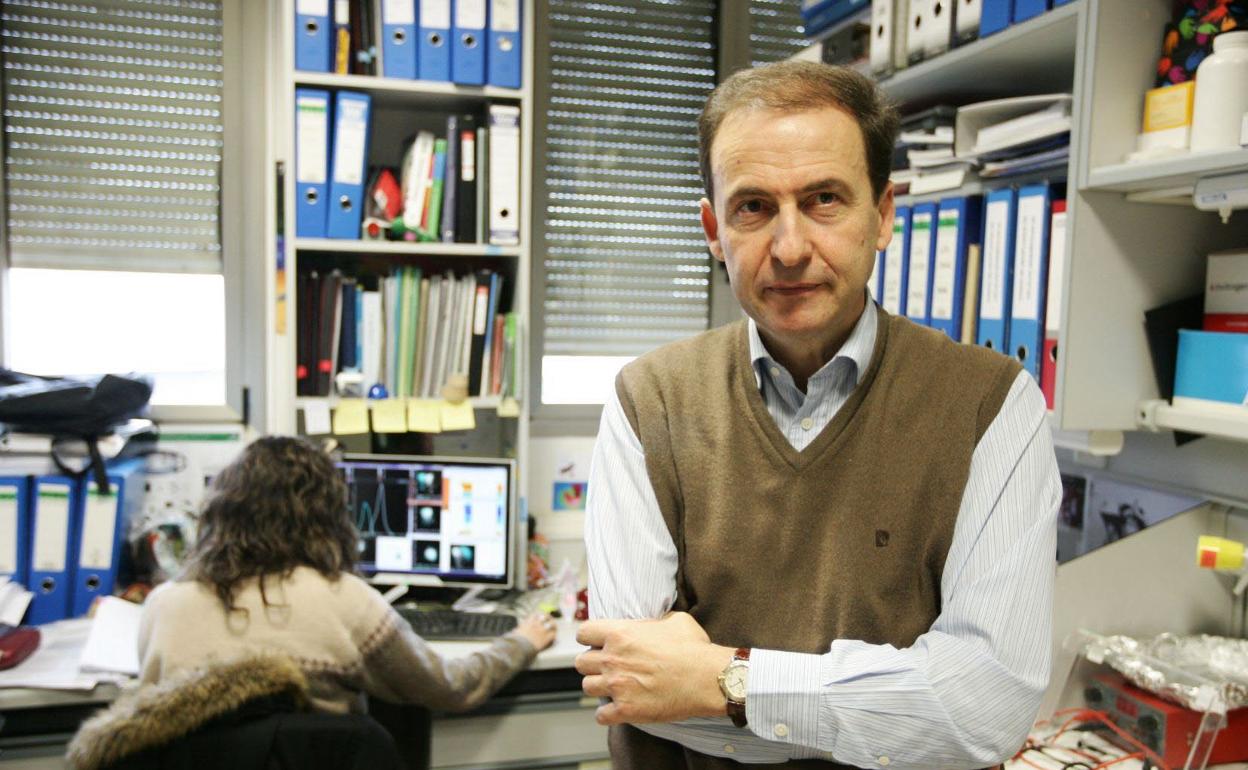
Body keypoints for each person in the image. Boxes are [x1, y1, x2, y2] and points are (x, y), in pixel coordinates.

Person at [576, 61, 1060, 770]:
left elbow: (982, 708)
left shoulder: (993, 404)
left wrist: (724, 681)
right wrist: (890, 707)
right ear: (714, 230)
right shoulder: (647, 401)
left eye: (825, 199)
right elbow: (635, 685)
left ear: (883, 213)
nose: (791, 247)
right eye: (753, 207)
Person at [138, 436, 556, 714]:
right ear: (327, 514)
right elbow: (450, 687)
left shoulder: (164, 605)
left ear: (221, 509)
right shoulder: (342, 599)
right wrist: (521, 641)